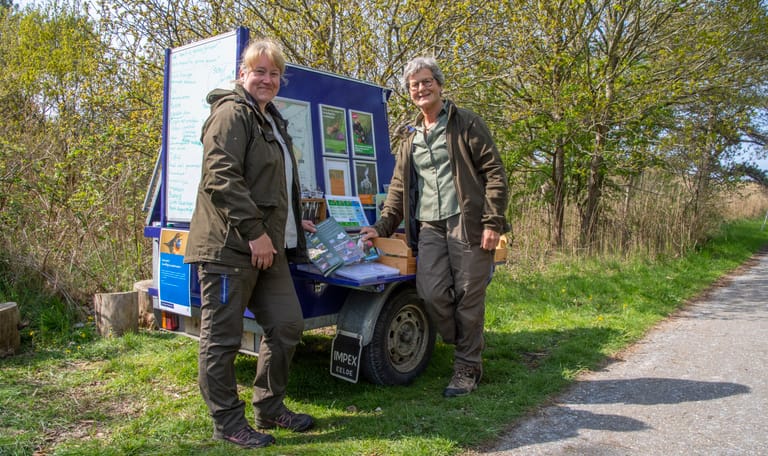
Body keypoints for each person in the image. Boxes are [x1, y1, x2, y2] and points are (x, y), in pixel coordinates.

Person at [184, 38, 316, 449]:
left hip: (267, 247)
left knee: (286, 324)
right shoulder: (231, 113)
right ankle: (227, 422)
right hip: (230, 247)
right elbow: (221, 178)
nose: (267, 79)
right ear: (242, 74)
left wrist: (296, 223)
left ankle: (269, 406)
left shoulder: (270, 119)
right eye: (259, 71)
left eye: (274, 73)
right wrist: (256, 233)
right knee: (221, 339)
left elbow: (271, 184)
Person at [360, 56, 509, 398]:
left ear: (439, 85)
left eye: (427, 81)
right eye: (414, 85)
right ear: (409, 93)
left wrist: (492, 223)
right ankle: (467, 341)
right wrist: (382, 227)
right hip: (429, 227)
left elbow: (495, 173)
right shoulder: (410, 138)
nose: (421, 88)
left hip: (467, 222)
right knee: (431, 292)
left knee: (469, 295)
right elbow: (398, 189)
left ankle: (467, 367)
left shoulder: (466, 124)